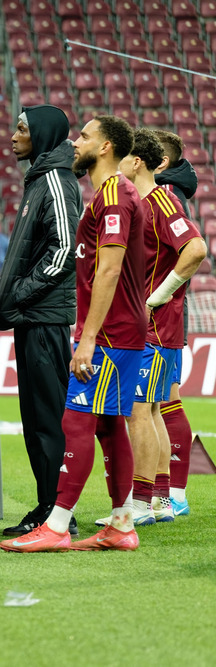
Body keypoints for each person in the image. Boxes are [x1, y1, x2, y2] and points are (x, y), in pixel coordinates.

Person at [1, 114, 145, 552]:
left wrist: (87, 337)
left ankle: (58, 524)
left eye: (84, 136)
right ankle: (122, 524)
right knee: (107, 426)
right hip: (117, 327)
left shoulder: (116, 195)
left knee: (75, 421)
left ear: (105, 147)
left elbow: (110, 267)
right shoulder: (105, 195)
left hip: (111, 331)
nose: (74, 142)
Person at [93, 128, 205, 528]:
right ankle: (156, 501)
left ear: (135, 162)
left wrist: (157, 297)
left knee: (140, 411)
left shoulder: (162, 201)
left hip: (156, 326)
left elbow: (195, 249)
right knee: (152, 410)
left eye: (122, 159)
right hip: (152, 326)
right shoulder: (146, 203)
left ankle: (141, 504)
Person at [0, 105, 82, 537]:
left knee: (48, 418)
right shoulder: (38, 179)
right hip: (32, 317)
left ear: (44, 135)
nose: (13, 135)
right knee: (34, 418)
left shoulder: (55, 181)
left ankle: (57, 512)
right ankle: (47, 505)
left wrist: (20, 293)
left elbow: (65, 249)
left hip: (46, 318)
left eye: (22, 128)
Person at [153, 129, 199, 515]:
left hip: (164, 318)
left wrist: (163, 292)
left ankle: (173, 494)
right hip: (163, 316)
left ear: (159, 162)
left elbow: (190, 251)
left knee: (164, 402)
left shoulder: (169, 197)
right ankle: (165, 493)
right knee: (159, 403)